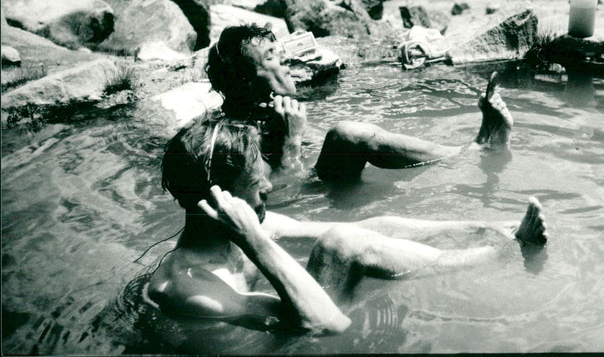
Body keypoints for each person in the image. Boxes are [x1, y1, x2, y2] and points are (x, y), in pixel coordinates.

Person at [147, 117, 548, 332]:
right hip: (302, 339)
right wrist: (256, 241)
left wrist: (489, 223)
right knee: (343, 243)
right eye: (256, 183)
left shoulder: (243, 227)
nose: (269, 187)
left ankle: (501, 238)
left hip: (307, 318)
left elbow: (376, 226)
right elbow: (325, 326)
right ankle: (494, 257)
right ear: (221, 200)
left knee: (350, 233)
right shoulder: (186, 287)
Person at [203, 24, 514, 183]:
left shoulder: (271, 110)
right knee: (346, 134)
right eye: (271, 57)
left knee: (345, 135)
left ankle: (467, 152)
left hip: (316, 184)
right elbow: (278, 196)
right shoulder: (235, 136)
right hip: (305, 199)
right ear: (244, 80)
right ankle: (470, 153)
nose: (285, 62)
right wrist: (293, 140)